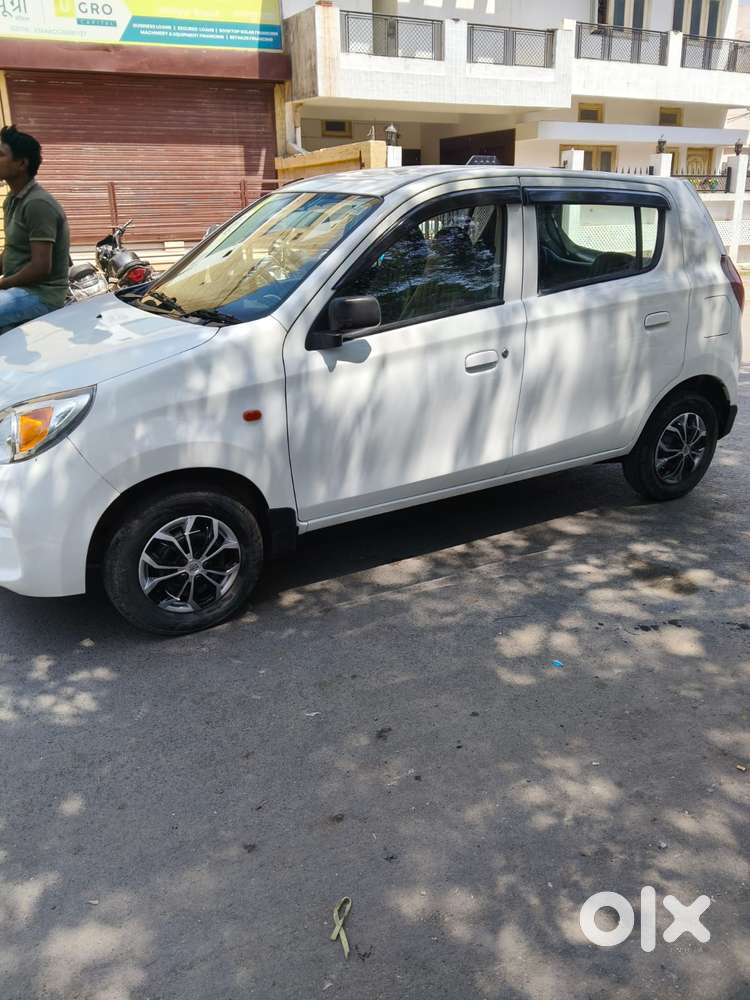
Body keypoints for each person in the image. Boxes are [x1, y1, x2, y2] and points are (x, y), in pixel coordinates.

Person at [0, 124, 70, 333]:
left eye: (0, 155)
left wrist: (2, 284)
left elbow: (40, 267)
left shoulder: (37, 203)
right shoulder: (12, 200)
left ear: (22, 163)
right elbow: (12, 251)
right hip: (17, 291)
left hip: (42, 294)